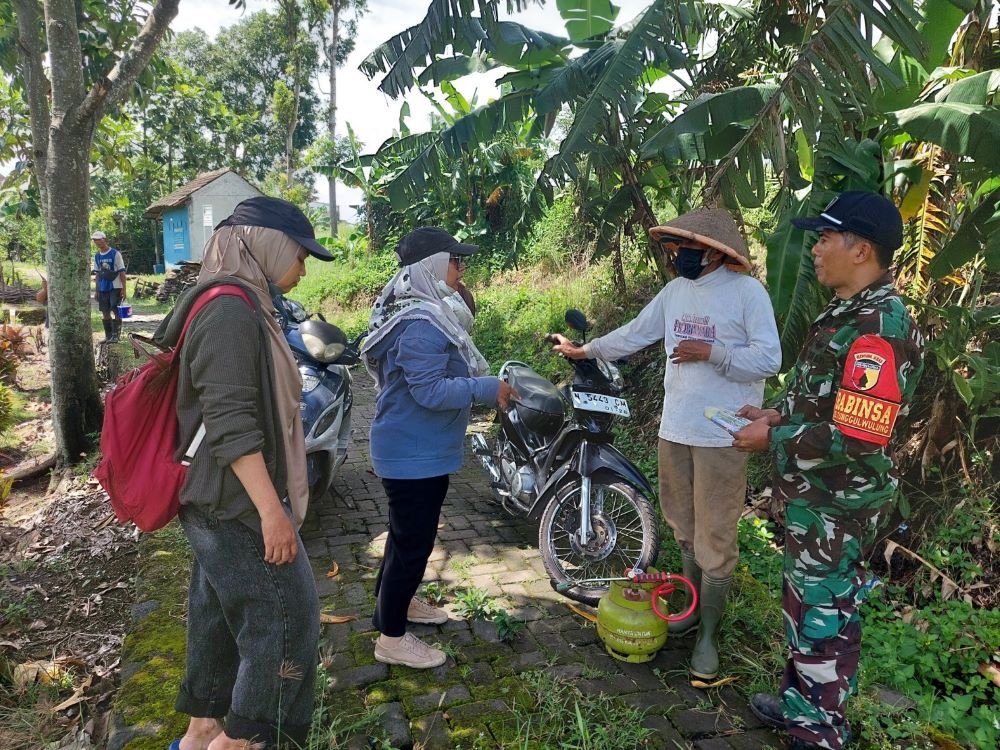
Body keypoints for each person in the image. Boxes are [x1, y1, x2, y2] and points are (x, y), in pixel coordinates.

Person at [549, 208, 781, 681]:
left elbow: (769, 359)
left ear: (715, 252)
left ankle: (708, 636)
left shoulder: (746, 293)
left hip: (723, 434)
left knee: (715, 534)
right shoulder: (675, 292)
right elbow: (637, 332)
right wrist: (586, 350)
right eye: (674, 249)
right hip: (675, 430)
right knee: (683, 525)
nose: (678, 256)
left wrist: (711, 353)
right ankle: (690, 609)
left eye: (687, 249)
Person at [732, 192, 924, 750]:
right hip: (818, 496)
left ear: (860, 249)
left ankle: (817, 734)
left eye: (824, 238)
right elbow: (829, 403)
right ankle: (803, 707)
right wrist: (777, 413)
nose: (814, 250)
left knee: (824, 616)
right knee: (810, 607)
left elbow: (861, 436)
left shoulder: (878, 327)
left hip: (838, 502)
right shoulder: (847, 313)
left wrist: (774, 436)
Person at [159, 196, 334, 750]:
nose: (302, 269)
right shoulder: (230, 310)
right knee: (287, 621)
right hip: (233, 503)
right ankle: (246, 741)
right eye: (301, 255)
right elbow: (230, 424)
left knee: (214, 615)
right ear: (269, 244)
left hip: (215, 500)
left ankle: (203, 730)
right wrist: (272, 512)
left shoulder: (238, 300)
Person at [361, 227, 516, 669]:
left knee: (404, 539)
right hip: (411, 454)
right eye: (455, 259)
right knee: (413, 544)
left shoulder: (420, 312)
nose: (462, 267)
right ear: (430, 265)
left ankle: (397, 605)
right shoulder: (419, 324)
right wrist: (486, 388)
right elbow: (429, 391)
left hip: (414, 448)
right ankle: (390, 637)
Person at [92, 231, 126, 342]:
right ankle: (108, 335)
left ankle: (116, 336)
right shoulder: (97, 256)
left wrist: (124, 288)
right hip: (102, 287)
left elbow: (121, 272)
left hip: (115, 286)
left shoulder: (115, 254)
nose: (97, 242)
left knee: (115, 309)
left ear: (104, 239)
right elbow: (97, 274)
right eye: (95, 240)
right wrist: (97, 290)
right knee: (105, 311)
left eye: (99, 239)